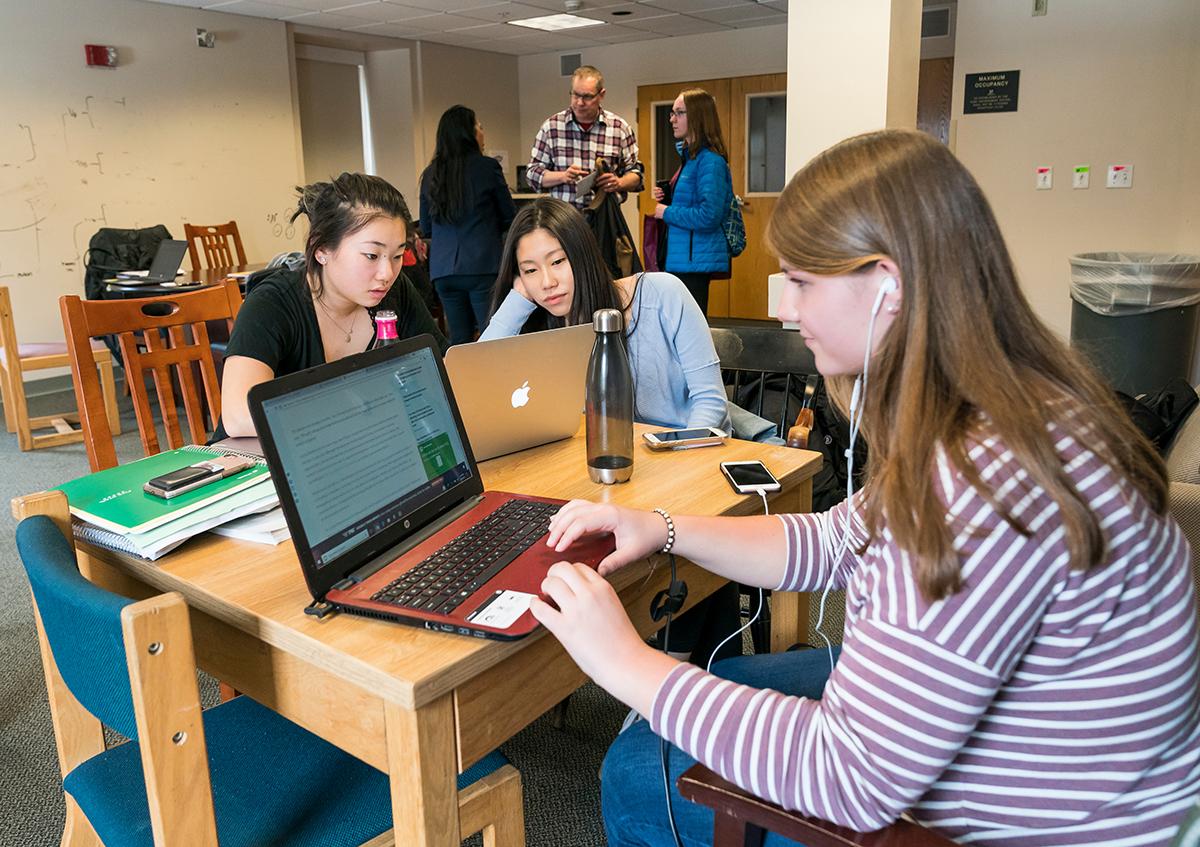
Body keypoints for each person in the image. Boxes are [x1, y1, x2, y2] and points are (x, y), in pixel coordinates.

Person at [528, 129, 1200, 846]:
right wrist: (663, 526)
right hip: (1063, 765)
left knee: (636, 767)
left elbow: (848, 778)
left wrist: (626, 661)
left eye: (803, 282)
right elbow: (837, 537)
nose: (785, 310)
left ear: (889, 284)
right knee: (689, 700)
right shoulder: (1003, 408)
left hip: (1046, 823)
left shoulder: (976, 487)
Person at [217, 173, 446, 439]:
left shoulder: (396, 292)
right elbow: (238, 415)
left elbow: (443, 369)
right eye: (371, 255)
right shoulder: (273, 303)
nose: (386, 273)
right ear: (321, 249)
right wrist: (353, 407)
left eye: (396, 256)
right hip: (254, 463)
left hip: (353, 449)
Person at [482, 195, 728, 435]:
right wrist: (517, 301)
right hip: (603, 460)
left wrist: (681, 459)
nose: (547, 282)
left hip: (684, 452)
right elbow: (477, 380)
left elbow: (710, 403)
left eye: (557, 261)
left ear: (583, 255)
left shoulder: (661, 293)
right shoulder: (545, 328)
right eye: (531, 269)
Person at [419, 105, 516, 345]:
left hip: (443, 271)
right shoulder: (487, 167)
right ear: (468, 133)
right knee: (491, 336)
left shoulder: (431, 173)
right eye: (479, 126)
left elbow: (426, 227)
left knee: (459, 340)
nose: (482, 132)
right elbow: (509, 216)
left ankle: (462, 382)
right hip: (482, 266)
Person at [653, 88, 734, 314]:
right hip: (683, 258)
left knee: (691, 329)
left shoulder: (710, 162)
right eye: (672, 112)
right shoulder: (690, 158)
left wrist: (666, 212)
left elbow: (709, 215)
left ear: (698, 117)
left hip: (694, 262)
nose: (672, 119)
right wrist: (668, 196)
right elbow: (692, 201)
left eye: (679, 113)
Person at [526, 65, 644, 211]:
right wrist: (563, 176)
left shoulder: (619, 128)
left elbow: (636, 175)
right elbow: (532, 175)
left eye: (587, 97)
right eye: (575, 95)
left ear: (601, 95)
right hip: (564, 219)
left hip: (604, 218)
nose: (580, 102)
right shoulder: (552, 127)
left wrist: (618, 183)